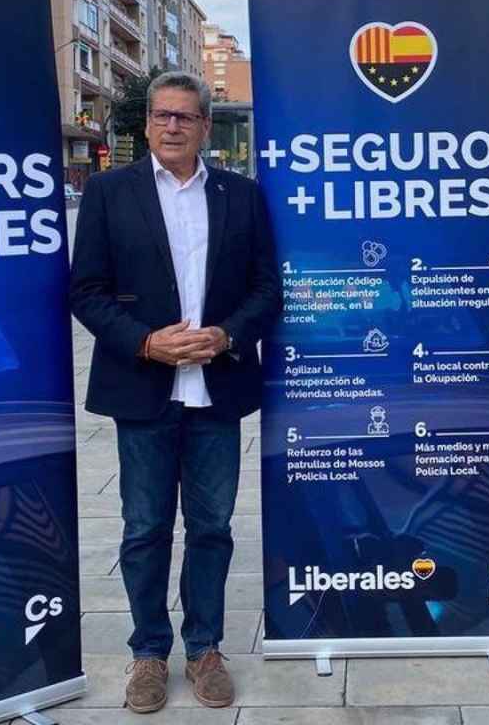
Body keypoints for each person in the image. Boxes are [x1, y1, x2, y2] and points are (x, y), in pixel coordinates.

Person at [69, 71, 281, 714]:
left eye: (185, 117)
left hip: (217, 390)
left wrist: (226, 336)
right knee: (145, 527)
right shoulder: (108, 192)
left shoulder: (241, 196)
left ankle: (206, 647)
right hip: (144, 389)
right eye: (162, 116)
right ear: (146, 124)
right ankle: (148, 653)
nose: (171, 126)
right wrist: (143, 342)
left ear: (204, 127)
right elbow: (85, 291)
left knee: (213, 527)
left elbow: (267, 289)